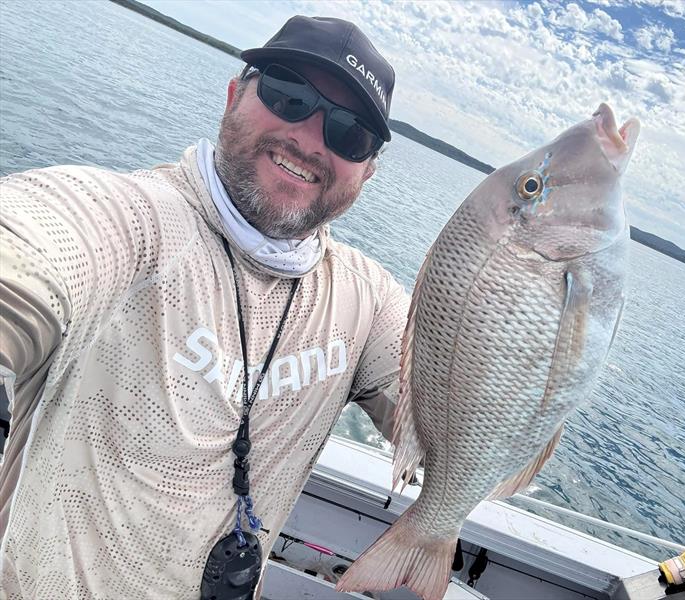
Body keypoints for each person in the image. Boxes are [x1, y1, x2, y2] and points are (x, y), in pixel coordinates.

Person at [0, 15, 408, 599]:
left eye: (351, 133)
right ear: (234, 95)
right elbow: (31, 248)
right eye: (288, 93)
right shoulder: (134, 221)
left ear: (368, 172)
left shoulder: (366, 302)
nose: (311, 138)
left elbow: (461, 420)